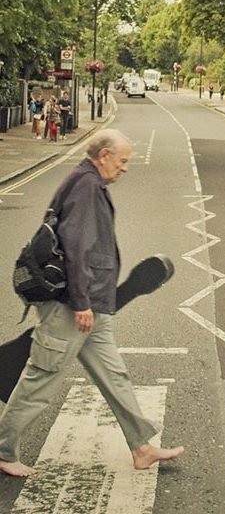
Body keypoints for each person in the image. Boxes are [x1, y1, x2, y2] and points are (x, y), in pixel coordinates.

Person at [0, 129, 184, 477]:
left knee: (114, 376)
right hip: (73, 307)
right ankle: (3, 449)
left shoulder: (89, 183)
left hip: (92, 305)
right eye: (123, 160)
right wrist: (81, 302)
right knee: (41, 377)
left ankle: (142, 447)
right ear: (103, 156)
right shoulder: (85, 186)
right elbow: (76, 247)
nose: (125, 168)